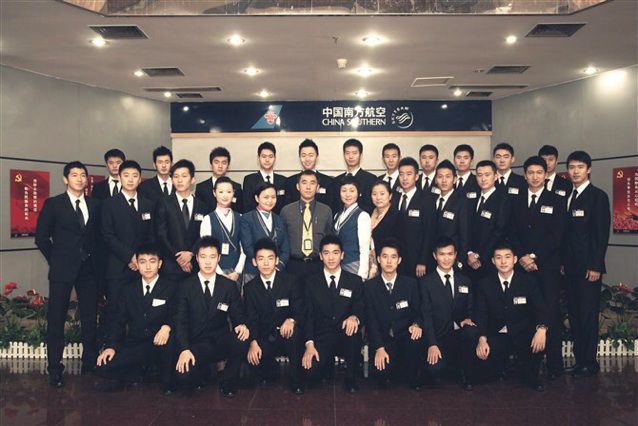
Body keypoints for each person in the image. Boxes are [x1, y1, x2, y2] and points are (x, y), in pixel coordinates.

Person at [35, 161, 99, 387]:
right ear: (65, 179)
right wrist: (56, 259)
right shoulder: (53, 204)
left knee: (90, 318)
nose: (80, 179)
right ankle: (54, 368)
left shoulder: (95, 204)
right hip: (62, 269)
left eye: (83, 175)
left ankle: (90, 362)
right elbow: (41, 238)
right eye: (74, 175)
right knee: (56, 318)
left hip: (89, 270)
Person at [509, 156, 566, 380]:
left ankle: (554, 365)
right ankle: (526, 363)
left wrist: (534, 256)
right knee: (524, 313)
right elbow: (512, 232)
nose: (535, 176)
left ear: (546, 174)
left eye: (539, 172)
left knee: (550, 312)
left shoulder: (557, 200)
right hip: (521, 267)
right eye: (530, 172)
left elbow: (557, 235)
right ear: (525, 175)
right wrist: (522, 257)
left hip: (547, 267)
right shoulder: (516, 200)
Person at [95, 245, 177, 394]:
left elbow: (177, 314)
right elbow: (118, 321)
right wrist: (111, 347)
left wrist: (167, 326)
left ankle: (161, 378)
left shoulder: (171, 287)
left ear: (159, 264)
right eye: (143, 262)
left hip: (160, 343)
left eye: (152, 261)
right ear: (137, 264)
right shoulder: (128, 290)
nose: (148, 267)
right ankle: (142, 370)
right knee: (103, 367)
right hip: (136, 342)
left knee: (169, 344)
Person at [174, 236, 250, 398]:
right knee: (183, 379)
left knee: (242, 338)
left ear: (219, 258)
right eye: (203, 257)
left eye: (212, 257)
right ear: (196, 258)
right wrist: (184, 349)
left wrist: (241, 324)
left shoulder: (229, 286)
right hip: (196, 344)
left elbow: (238, 315)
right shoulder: (185, 286)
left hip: (220, 341)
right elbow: (180, 322)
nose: (208, 262)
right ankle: (204, 371)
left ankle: (227, 380)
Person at [562, 151, 611, 378]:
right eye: (572, 167)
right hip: (569, 269)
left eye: (580, 167)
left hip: (589, 269)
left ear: (588, 169)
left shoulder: (597, 197)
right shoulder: (566, 196)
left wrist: (595, 266)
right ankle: (579, 360)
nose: (575, 171)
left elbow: (600, 235)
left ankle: (589, 363)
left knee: (587, 316)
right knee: (574, 315)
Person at [474, 243, 548, 392]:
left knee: (537, 347)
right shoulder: (484, 284)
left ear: (514, 259)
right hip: (497, 334)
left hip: (523, 333)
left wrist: (541, 329)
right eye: (498, 258)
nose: (503, 262)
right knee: (482, 373)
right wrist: (481, 339)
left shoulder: (528, 282)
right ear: (493, 261)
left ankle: (532, 374)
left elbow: (541, 309)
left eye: (507, 257)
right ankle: (500, 368)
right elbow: (481, 314)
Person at [302, 235, 364, 393]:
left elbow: (361, 308)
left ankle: (351, 377)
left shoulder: (354, 281)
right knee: (309, 373)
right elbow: (308, 316)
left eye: (335, 253)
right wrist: (309, 345)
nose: (331, 258)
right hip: (322, 337)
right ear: (320, 256)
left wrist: (354, 317)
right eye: (326, 253)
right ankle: (325, 365)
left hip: (345, 335)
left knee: (353, 332)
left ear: (342, 255)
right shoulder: (310, 282)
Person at [244, 238, 305, 394]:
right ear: (254, 262)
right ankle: (271, 368)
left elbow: (300, 309)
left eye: (270, 258)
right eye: (261, 259)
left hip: (287, 334)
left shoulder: (291, 281)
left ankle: (296, 381)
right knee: (254, 364)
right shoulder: (250, 288)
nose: (266, 263)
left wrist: (291, 320)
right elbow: (251, 319)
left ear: (277, 260)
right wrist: (253, 342)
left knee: (295, 334)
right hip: (265, 337)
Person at [101, 160, 155, 333]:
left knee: (140, 310)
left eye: (134, 176)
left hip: (142, 268)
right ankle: (112, 345)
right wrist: (130, 257)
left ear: (140, 179)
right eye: (126, 175)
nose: (130, 179)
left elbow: (151, 236)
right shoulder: (109, 204)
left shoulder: (148, 204)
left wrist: (139, 259)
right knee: (115, 311)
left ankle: (137, 346)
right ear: (119, 177)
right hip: (118, 267)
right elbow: (108, 236)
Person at [365, 239, 424, 390]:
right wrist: (379, 347)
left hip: (405, 337)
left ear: (399, 260)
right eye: (385, 257)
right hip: (383, 341)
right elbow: (371, 320)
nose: (389, 261)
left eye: (393, 257)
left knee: (415, 338)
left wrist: (416, 324)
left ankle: (412, 375)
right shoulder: (369, 287)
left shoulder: (410, 284)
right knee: (381, 374)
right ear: (378, 259)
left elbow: (418, 311)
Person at [420, 238, 478, 390]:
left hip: (459, 335)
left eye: (450, 254)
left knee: (471, 331)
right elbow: (426, 315)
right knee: (434, 370)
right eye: (442, 254)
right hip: (438, 337)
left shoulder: (465, 281)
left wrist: (468, 319)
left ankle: (466, 375)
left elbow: (470, 309)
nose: (446, 259)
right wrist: (432, 344)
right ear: (435, 256)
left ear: (456, 255)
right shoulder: (426, 283)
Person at [156, 159, 209, 282]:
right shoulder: (164, 203)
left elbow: (203, 235)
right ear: (172, 179)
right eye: (176, 176)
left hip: (194, 265)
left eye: (184, 176)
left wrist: (191, 253)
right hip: (171, 267)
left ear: (192, 179)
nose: (180, 180)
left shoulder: (202, 206)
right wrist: (179, 259)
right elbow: (161, 234)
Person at [280, 170, 333, 280]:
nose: (308, 187)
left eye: (312, 183)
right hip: (293, 265)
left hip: (318, 265)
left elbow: (328, 238)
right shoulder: (286, 211)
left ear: (318, 187)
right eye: (304, 183)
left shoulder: (326, 211)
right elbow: (282, 240)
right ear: (298, 186)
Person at [467, 160, 511, 281]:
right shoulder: (472, 198)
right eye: (479, 175)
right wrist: (469, 252)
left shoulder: (503, 200)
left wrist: (479, 255)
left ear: (495, 176)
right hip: (470, 259)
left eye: (487, 175)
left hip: (490, 259)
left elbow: (499, 231)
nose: (483, 179)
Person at [394, 157, 436, 279]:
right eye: (401, 174)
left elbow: (429, 232)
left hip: (417, 259)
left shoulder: (426, 199)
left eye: (409, 174)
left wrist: (423, 260)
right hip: (397, 259)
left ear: (416, 176)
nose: (404, 178)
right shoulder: (394, 197)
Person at [240, 182, 291, 283]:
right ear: (257, 198)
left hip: (276, 270)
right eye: (266, 197)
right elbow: (247, 246)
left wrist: (278, 265)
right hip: (254, 270)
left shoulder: (279, 220)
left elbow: (285, 249)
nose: (270, 201)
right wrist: (263, 264)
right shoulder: (247, 218)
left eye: (273, 197)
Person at [200, 177, 245, 285]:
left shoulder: (240, 217)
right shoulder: (208, 219)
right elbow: (206, 251)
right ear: (214, 193)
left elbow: (244, 248)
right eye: (221, 192)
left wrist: (237, 271)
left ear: (233, 193)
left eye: (229, 192)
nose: (225, 196)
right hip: (214, 272)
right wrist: (220, 272)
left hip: (236, 272)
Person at [431, 160, 471, 268]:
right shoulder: (431, 200)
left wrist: (460, 260)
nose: (444, 180)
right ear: (435, 179)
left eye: (448, 176)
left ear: (455, 179)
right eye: (440, 176)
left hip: (452, 259)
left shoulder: (462, 202)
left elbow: (465, 235)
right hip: (433, 258)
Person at [333, 177, 371, 279]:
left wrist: (362, 274)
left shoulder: (362, 216)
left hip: (354, 264)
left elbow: (365, 248)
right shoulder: (337, 215)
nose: (347, 194)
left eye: (352, 190)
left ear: (358, 193)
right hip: (338, 265)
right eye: (344, 190)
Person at [284, 139, 334, 207]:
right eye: (303, 155)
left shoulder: (328, 182)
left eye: (311, 155)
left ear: (317, 157)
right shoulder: (290, 182)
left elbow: (330, 208)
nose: (307, 159)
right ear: (299, 157)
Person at [333, 139, 377, 213]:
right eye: (347, 153)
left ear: (361, 155)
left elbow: (372, 207)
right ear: (344, 155)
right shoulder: (336, 181)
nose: (351, 156)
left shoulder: (370, 179)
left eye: (354, 153)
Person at [242, 142, 286, 214]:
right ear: (258, 158)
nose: (267, 160)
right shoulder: (249, 180)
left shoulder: (283, 180)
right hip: (255, 219)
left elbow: (285, 207)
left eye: (270, 156)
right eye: (264, 156)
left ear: (275, 158)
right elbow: (247, 206)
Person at [195, 146, 243, 212]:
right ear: (211, 164)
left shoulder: (237, 187)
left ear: (228, 165)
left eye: (224, 163)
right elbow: (199, 212)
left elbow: (240, 211)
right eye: (216, 162)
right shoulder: (201, 188)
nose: (220, 166)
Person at [369, 180, 399, 279]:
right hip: (370, 263)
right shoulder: (369, 213)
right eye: (374, 194)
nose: (378, 197)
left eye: (382, 194)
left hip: (389, 264)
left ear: (390, 196)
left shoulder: (397, 216)